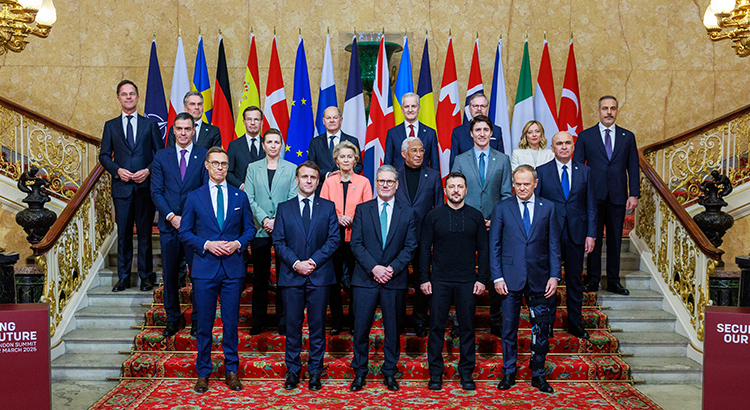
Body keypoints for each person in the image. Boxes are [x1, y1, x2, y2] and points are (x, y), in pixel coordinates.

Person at [179, 147, 257, 393]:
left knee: (231, 324)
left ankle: (231, 371)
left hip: (233, 270)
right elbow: (185, 232)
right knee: (204, 324)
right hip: (204, 270)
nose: (220, 168)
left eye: (224, 164)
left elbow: (250, 230)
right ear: (206, 165)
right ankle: (203, 373)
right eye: (215, 163)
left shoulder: (239, 197)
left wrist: (237, 243)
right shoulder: (194, 197)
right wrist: (207, 244)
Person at [490, 165, 561, 394]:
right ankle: (509, 372)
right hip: (510, 279)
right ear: (513, 184)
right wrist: (497, 277)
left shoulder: (548, 207)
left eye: (526, 184)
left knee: (541, 328)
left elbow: (553, 244)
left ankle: (538, 374)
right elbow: (494, 246)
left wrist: (554, 275)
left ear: (535, 183)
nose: (521, 188)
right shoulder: (502, 208)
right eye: (518, 184)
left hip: (540, 278)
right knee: (509, 328)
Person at [349, 165, 418, 392]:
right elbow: (356, 244)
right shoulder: (362, 209)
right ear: (376, 183)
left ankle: (390, 371)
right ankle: (360, 372)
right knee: (360, 329)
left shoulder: (407, 212)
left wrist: (391, 269)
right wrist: (374, 268)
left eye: (390, 181)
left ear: (397, 185)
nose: (385, 185)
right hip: (365, 279)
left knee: (392, 329)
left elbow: (410, 247)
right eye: (381, 181)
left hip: (394, 279)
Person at [272, 161, 340, 391]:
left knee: (317, 327)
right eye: (304, 177)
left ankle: (314, 372)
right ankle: (293, 371)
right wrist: (296, 263)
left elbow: (333, 240)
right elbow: (278, 242)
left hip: (319, 276)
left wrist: (312, 262)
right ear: (296, 180)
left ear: (318, 181)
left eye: (313, 177)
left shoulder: (328, 207)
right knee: (292, 327)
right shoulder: (284, 207)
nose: (308, 181)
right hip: (292, 277)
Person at [419, 172, 488, 391]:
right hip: (439, 280)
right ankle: (436, 373)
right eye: (451, 186)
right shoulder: (433, 216)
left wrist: (482, 279)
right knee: (436, 327)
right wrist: (424, 278)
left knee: (467, 328)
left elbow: (484, 251)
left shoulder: (476, 216)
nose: (456, 190)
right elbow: (423, 250)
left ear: (466, 190)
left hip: (467, 281)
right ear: (446, 190)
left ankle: (466, 372)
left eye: (460, 186)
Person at [99, 79, 162, 293]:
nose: (128, 97)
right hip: (122, 189)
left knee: (145, 234)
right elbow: (104, 155)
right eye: (124, 94)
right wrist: (117, 170)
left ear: (137, 97)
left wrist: (148, 170)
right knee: (124, 235)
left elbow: (161, 154)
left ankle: (146, 277)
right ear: (118, 98)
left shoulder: (149, 124)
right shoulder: (111, 125)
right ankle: (123, 278)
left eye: (132, 93)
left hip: (144, 188)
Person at [451, 114, 512, 337]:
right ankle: (461, 322)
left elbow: (506, 195)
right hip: (466, 224)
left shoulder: (503, 159)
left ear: (491, 133)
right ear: (471, 133)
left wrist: (495, 219)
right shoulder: (460, 159)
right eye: (478, 130)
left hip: (494, 226)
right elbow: (456, 191)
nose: (482, 134)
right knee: (463, 274)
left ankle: (495, 321)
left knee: (494, 274)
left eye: (486, 130)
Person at [573, 96, 639, 296]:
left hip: (618, 196)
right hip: (592, 197)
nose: (608, 112)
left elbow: (633, 167)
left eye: (612, 108)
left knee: (615, 241)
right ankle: (593, 280)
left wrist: (634, 193)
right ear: (599, 111)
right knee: (592, 239)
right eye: (605, 108)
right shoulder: (585, 136)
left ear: (617, 111)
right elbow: (577, 168)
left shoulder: (628, 137)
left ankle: (613, 281)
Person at [150, 113, 209, 338]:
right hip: (169, 226)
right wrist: (172, 216)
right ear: (173, 131)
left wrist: (188, 218)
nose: (183, 133)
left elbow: (205, 190)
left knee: (198, 277)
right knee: (171, 276)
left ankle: (197, 321)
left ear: (194, 130)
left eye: (187, 129)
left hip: (195, 228)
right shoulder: (161, 157)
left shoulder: (203, 155)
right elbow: (156, 191)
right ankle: (173, 319)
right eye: (179, 129)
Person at [536, 131, 596, 340]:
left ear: (573, 147)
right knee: (548, 282)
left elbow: (590, 205)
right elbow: (537, 206)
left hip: (577, 234)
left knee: (574, 281)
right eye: (559, 143)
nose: (563, 147)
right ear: (552, 148)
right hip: (548, 235)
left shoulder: (585, 172)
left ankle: (575, 323)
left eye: (567, 143)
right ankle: (548, 324)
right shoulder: (541, 172)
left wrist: (591, 234)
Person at [244, 129, 298, 335]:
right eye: (269, 142)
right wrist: (265, 219)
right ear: (263, 145)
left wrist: (277, 221)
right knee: (260, 277)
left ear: (281, 144)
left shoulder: (292, 168)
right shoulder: (252, 168)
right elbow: (248, 197)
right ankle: (258, 321)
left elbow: (293, 196)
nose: (273, 145)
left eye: (277, 142)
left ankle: (283, 322)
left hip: (284, 230)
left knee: (284, 277)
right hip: (259, 229)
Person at [319, 141, 372, 335]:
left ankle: (353, 322)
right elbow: (323, 208)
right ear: (336, 160)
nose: (346, 160)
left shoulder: (364, 182)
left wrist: (353, 219)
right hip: (333, 237)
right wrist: (337, 217)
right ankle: (337, 322)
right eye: (342, 156)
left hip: (356, 238)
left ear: (356, 160)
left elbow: (368, 211)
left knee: (356, 283)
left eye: (350, 156)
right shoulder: (329, 182)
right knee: (333, 282)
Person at [394, 136, 443, 337]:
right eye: (414, 150)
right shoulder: (394, 175)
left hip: (424, 236)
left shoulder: (433, 176)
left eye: (421, 150)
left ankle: (419, 320)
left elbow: (439, 207)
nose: (418, 154)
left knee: (423, 279)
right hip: (398, 237)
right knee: (398, 280)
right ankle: (398, 320)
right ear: (404, 153)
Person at [384, 93, 440, 171]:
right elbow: (388, 163)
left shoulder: (430, 133)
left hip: (424, 180)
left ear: (419, 108)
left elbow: (435, 165)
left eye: (413, 106)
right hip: (400, 180)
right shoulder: (392, 133)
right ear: (402, 109)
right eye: (407, 106)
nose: (410, 110)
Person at [307, 106, 363, 182]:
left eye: (335, 117)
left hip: (346, 185)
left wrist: (343, 174)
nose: (332, 120)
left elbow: (358, 166)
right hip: (322, 186)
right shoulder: (315, 142)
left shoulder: (352, 141)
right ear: (323, 121)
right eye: (328, 118)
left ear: (341, 120)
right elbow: (311, 166)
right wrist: (327, 175)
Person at [450, 93, 505, 169]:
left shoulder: (496, 130)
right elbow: (454, 163)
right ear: (469, 109)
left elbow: (501, 161)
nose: (479, 109)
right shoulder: (458, 132)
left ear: (487, 109)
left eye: (482, 106)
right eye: (476, 106)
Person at [227, 106, 266, 190]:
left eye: (256, 119)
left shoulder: (268, 144)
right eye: (249, 119)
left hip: (265, 194)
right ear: (244, 122)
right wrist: (241, 186)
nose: (252, 123)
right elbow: (228, 172)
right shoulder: (234, 145)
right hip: (241, 194)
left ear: (261, 122)